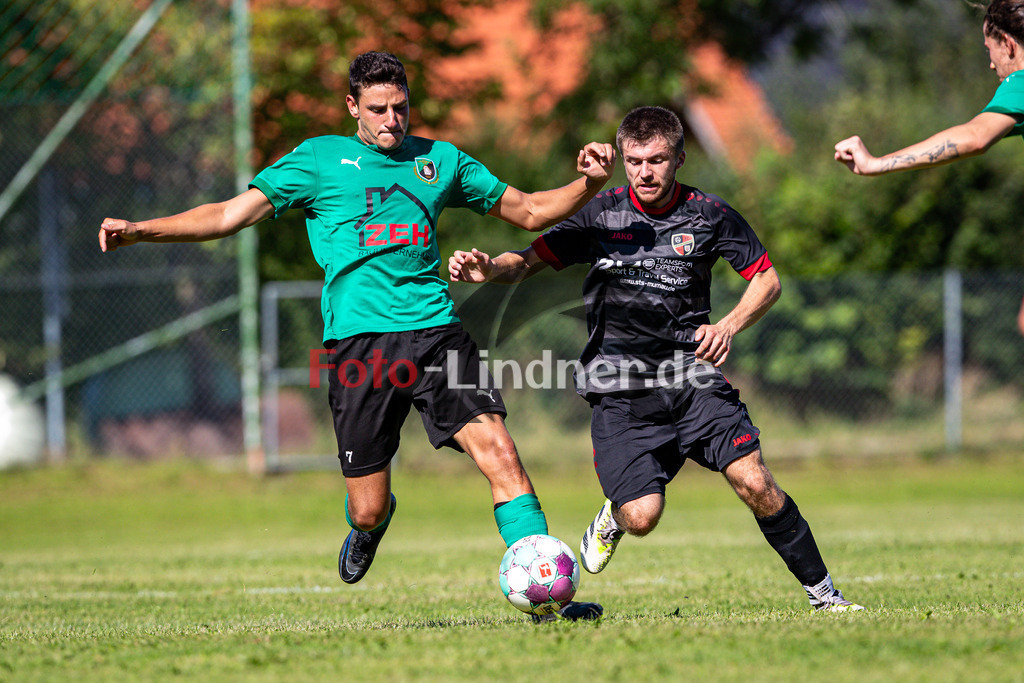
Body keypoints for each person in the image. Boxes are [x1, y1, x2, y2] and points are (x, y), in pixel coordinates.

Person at [99, 51, 615, 621]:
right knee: (367, 507)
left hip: (437, 333)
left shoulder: (440, 160)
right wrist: (140, 231)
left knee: (500, 453)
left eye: (400, 107)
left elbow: (533, 211)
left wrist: (589, 183)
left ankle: (547, 600)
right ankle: (372, 525)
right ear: (353, 107)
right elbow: (226, 216)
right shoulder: (318, 159)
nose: (393, 119)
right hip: (360, 347)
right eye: (378, 109)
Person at [449, 106, 864, 612]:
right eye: (635, 161)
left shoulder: (710, 215)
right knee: (642, 515)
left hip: (692, 380)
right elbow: (527, 262)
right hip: (618, 388)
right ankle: (614, 517)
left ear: (680, 159)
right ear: (624, 159)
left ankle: (826, 597)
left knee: (755, 480)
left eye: (657, 160)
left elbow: (767, 279)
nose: (645, 172)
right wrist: (489, 267)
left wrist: (728, 324)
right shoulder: (600, 214)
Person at [835, 0, 1024, 175]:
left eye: (989, 49)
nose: (991, 65)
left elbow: (977, 136)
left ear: (1008, 44)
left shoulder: (1019, 82)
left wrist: (874, 164)